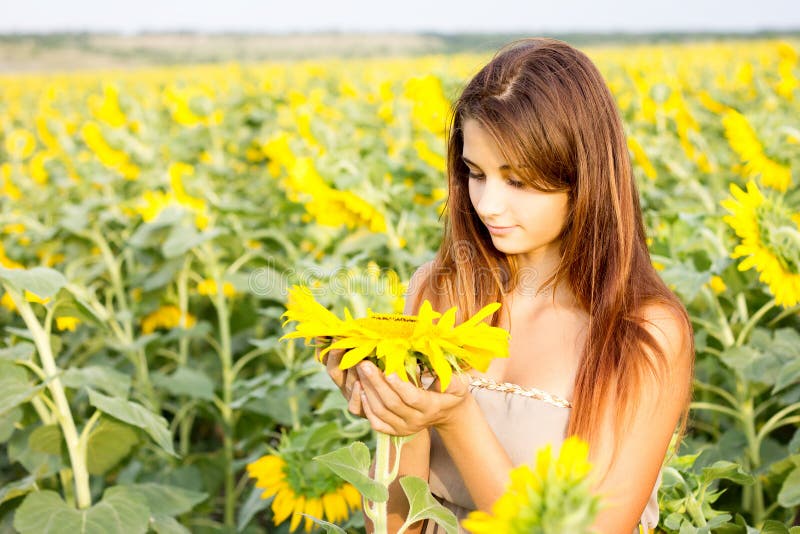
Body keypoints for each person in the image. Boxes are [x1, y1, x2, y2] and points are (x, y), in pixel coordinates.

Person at [323, 37, 694, 534]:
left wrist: (456, 418)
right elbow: (396, 524)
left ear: (582, 178)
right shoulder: (439, 289)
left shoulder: (642, 331)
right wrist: (396, 418)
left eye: (516, 181)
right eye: (475, 173)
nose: (488, 204)